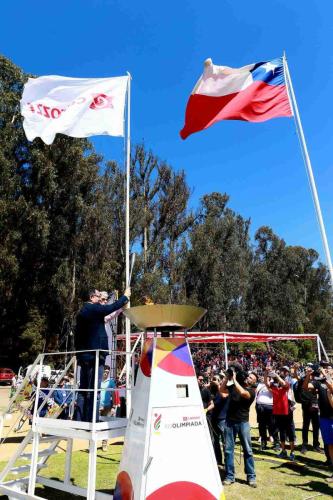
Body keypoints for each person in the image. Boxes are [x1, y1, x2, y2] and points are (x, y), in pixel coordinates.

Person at [74, 287, 130, 422]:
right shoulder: (93, 309)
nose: (101, 299)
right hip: (95, 357)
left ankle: (81, 419)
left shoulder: (84, 312)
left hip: (85, 356)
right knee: (94, 390)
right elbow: (108, 309)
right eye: (99, 296)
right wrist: (125, 297)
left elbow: (109, 314)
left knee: (84, 389)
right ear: (92, 297)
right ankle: (91, 419)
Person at [221, 367, 257, 488]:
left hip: (243, 423)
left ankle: (251, 476)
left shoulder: (252, 391)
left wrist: (234, 379)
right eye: (248, 376)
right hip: (229, 422)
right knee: (228, 450)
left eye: (251, 378)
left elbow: (243, 393)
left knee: (248, 450)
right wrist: (227, 377)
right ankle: (230, 476)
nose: (248, 378)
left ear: (254, 382)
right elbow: (222, 391)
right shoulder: (234, 386)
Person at [303, 364, 333, 482]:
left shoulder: (327, 380)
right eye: (324, 368)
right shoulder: (319, 382)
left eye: (328, 368)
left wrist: (326, 376)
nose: (325, 369)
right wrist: (308, 375)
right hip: (325, 418)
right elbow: (306, 387)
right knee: (330, 445)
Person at [264, 369, 296, 461]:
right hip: (277, 412)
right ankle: (283, 451)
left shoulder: (286, 386)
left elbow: (284, 383)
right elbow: (266, 383)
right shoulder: (274, 387)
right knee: (281, 432)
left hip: (287, 412)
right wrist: (266, 373)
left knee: (290, 432)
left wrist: (277, 376)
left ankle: (292, 452)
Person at [255, 377, 279, 450]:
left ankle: (276, 443)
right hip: (260, 407)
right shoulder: (259, 385)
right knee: (262, 426)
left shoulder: (274, 384)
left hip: (270, 407)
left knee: (273, 425)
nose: (263, 377)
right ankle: (263, 442)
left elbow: (273, 392)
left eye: (265, 376)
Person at [210, 379, 229, 466]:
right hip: (214, 418)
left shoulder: (226, 391)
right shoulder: (213, 392)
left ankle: (227, 461)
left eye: (219, 381)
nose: (218, 382)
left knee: (225, 441)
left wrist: (218, 386)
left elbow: (224, 396)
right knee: (215, 441)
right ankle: (218, 460)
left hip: (223, 419)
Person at [100, 366, 116, 451]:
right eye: (105, 371)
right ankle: (92, 443)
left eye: (107, 372)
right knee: (95, 425)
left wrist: (113, 406)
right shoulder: (98, 380)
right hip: (97, 406)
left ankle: (104, 444)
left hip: (107, 407)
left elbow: (114, 394)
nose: (106, 373)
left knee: (105, 426)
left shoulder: (111, 382)